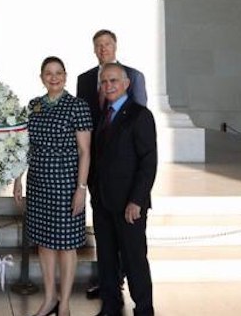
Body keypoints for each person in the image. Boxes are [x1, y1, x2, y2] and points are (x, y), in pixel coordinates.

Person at [13, 56, 92, 316]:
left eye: (59, 73)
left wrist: (81, 188)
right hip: (38, 184)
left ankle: (65, 304)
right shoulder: (34, 105)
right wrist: (17, 179)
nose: (54, 77)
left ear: (66, 76)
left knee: (66, 245)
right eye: (49, 73)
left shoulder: (77, 106)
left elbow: (85, 151)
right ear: (41, 77)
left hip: (66, 184)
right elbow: (25, 147)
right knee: (45, 244)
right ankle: (49, 299)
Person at [75, 29, 147, 300]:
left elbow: (139, 121)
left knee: (125, 233)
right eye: (98, 45)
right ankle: (109, 284)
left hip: (125, 171)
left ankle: (121, 281)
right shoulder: (84, 80)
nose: (103, 48)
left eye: (107, 44)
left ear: (115, 46)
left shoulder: (133, 76)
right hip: (94, 166)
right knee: (104, 229)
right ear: (94, 50)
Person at [89, 63, 157, 316]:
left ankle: (144, 308)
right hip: (103, 202)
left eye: (114, 80)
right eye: (104, 81)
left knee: (134, 259)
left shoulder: (140, 115)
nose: (109, 86)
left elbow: (148, 162)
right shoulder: (102, 116)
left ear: (127, 84)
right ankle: (110, 305)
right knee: (106, 258)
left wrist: (137, 200)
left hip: (130, 205)